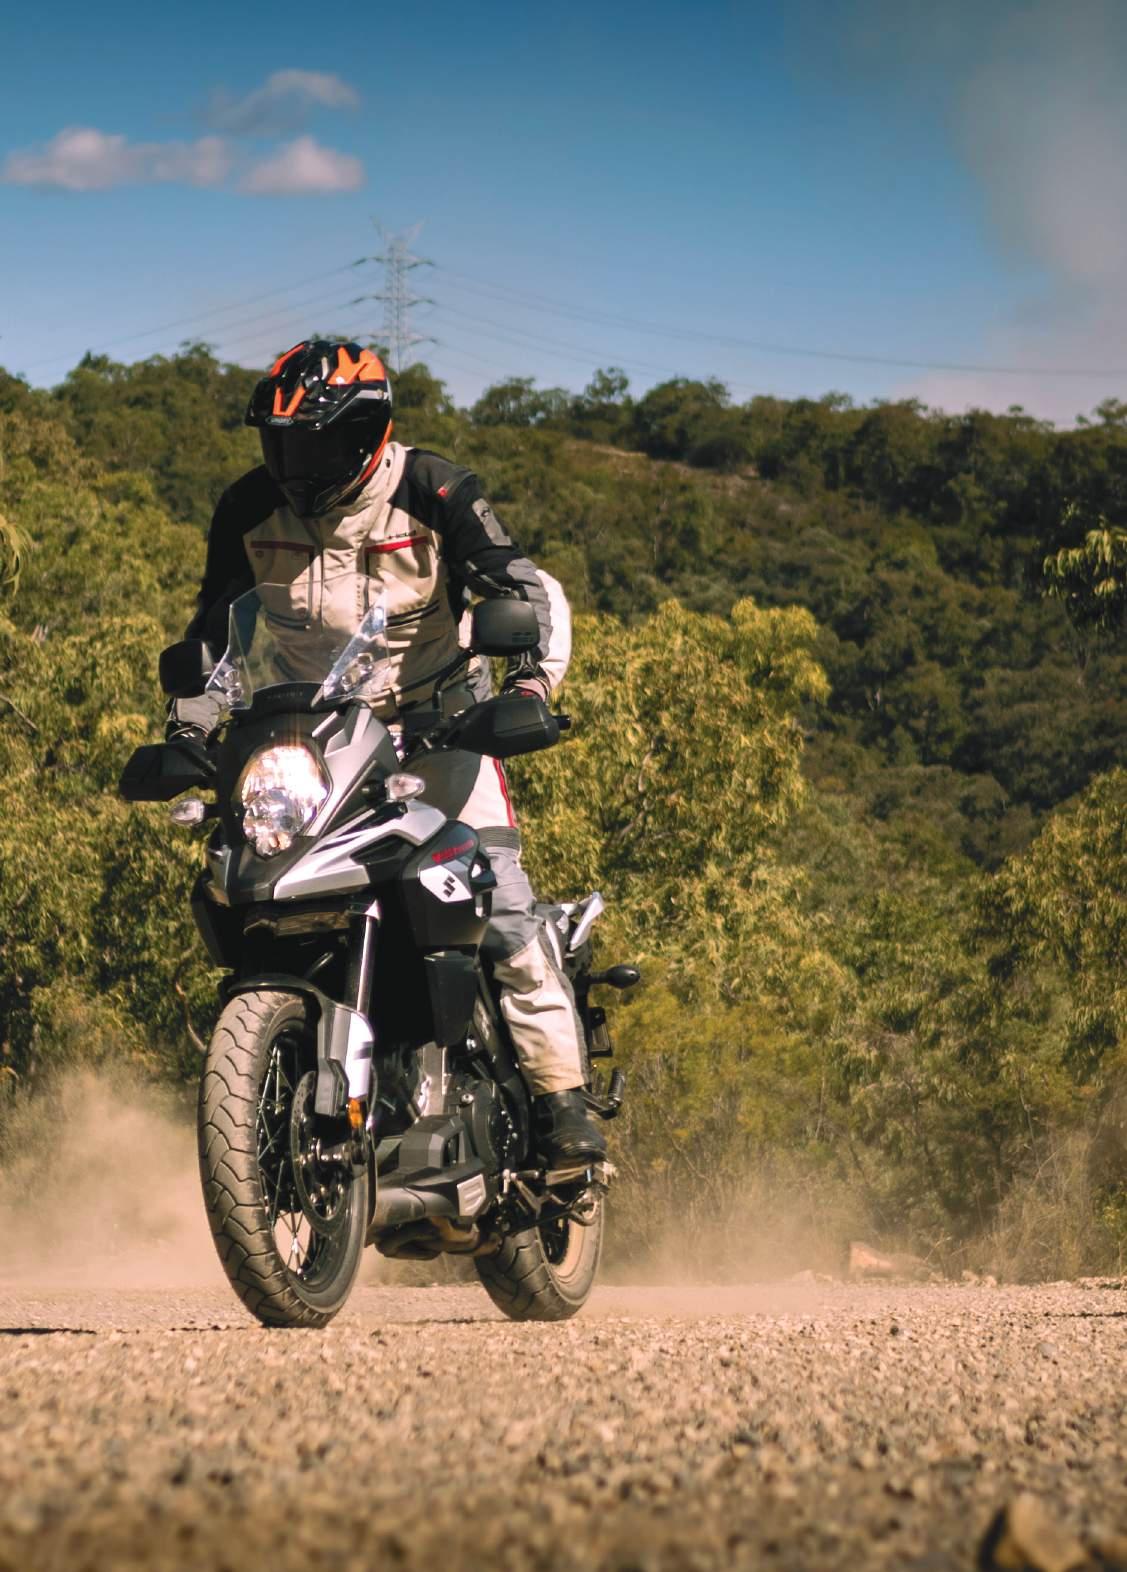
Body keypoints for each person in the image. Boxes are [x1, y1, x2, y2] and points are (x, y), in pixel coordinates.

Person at [168, 338, 605, 1166]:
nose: (296, 466)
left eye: (317, 445)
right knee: (260, 896)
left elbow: (522, 590)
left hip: (437, 733)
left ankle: (560, 1102)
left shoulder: (431, 489)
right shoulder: (248, 509)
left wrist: (527, 687)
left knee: (498, 905)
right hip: (313, 744)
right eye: (282, 445)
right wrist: (189, 725)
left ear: (367, 432)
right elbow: (214, 635)